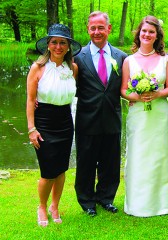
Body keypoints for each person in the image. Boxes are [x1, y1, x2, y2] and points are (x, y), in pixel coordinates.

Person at [26, 23, 81, 226]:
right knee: (48, 171)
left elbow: (71, 95)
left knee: (60, 169)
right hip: (44, 122)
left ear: (68, 47)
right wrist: (32, 129)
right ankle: (42, 206)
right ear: (48, 45)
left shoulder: (73, 68)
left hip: (65, 121)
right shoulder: (38, 68)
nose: (58, 46)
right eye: (54, 42)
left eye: (63, 43)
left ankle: (55, 205)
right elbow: (31, 100)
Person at [74, 11, 127, 217]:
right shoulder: (78, 57)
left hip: (112, 118)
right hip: (87, 119)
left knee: (111, 163)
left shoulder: (121, 57)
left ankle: (106, 198)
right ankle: (87, 201)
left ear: (109, 29)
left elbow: (125, 87)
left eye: (101, 28)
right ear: (88, 29)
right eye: (93, 28)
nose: (97, 32)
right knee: (86, 162)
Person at [120, 16, 168, 217]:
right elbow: (123, 89)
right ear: (138, 33)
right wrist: (135, 96)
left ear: (157, 35)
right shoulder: (128, 61)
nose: (147, 35)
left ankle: (160, 204)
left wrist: (157, 93)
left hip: (159, 114)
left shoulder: (165, 60)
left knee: (159, 155)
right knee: (138, 155)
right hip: (138, 115)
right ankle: (136, 204)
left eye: (151, 32)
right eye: (144, 31)